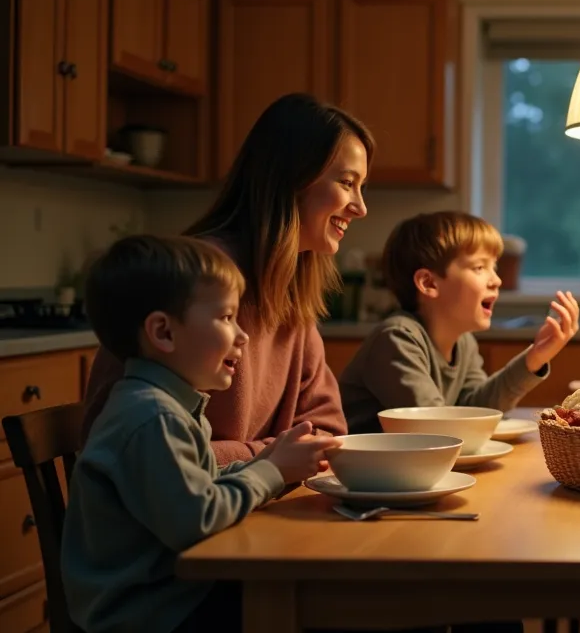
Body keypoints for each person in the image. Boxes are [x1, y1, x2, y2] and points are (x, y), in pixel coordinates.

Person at [62, 234, 340, 633]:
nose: (242, 336)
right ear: (163, 332)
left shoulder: (171, 406)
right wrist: (273, 472)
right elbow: (199, 517)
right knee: (313, 606)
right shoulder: (152, 417)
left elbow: (201, 485)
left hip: (172, 595)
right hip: (150, 614)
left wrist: (263, 463)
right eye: (227, 318)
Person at [80, 93, 374, 464]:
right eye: (348, 183)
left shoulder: (291, 285)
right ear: (293, 178)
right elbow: (132, 447)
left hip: (244, 504)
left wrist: (266, 458)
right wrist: (270, 457)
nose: (361, 207)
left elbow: (327, 431)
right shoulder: (196, 277)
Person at [339, 211, 579, 434]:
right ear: (429, 283)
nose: (496, 280)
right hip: (361, 475)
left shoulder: (463, 342)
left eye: (493, 267)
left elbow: (479, 409)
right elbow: (434, 428)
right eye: (479, 267)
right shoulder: (397, 339)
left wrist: (535, 357)